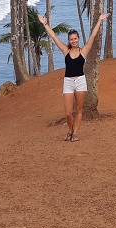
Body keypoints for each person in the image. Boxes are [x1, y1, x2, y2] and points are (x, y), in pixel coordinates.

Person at [38, 12, 109, 142]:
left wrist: (99, 20)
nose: (74, 41)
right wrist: (45, 24)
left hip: (81, 81)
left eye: (75, 39)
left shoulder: (84, 51)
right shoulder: (66, 51)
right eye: (71, 39)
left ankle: (74, 133)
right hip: (68, 82)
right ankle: (70, 130)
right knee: (68, 113)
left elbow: (93, 35)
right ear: (69, 41)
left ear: (79, 39)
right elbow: (54, 37)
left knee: (79, 109)